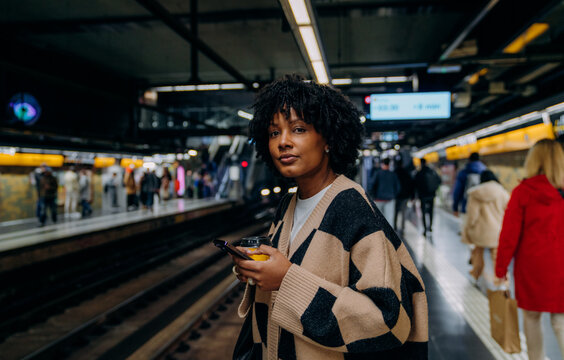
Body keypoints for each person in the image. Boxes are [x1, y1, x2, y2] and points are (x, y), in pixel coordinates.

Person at [231, 75, 428, 359]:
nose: (283, 142)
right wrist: (256, 270)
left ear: (328, 140)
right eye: (274, 132)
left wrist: (286, 279)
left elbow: (388, 321)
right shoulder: (288, 204)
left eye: (298, 129)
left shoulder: (350, 207)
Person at [495, 139, 564, 360]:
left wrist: (500, 268)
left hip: (533, 268)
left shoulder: (523, 192)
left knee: (532, 318)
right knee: (561, 319)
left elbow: (509, 236)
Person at [461, 170, 509, 285]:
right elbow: (508, 212)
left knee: (477, 252)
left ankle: (475, 274)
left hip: (480, 231)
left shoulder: (475, 193)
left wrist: (468, 228)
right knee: (496, 255)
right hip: (498, 231)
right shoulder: (502, 192)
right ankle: (500, 279)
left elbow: (472, 215)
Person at [414, 158, 441, 235]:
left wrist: (415, 195)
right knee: (431, 211)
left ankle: (425, 228)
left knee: (423, 212)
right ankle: (431, 227)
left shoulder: (419, 173)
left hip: (422, 196)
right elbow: (439, 181)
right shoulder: (432, 172)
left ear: (420, 163)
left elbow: (415, 185)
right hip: (431, 195)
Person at [370, 158, 401, 224]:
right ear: (389, 164)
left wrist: (373, 196)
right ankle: (389, 234)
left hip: (379, 199)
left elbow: (372, 185)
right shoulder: (393, 174)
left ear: (382, 164)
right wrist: (393, 195)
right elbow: (398, 187)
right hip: (390, 199)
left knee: (379, 219)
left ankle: (381, 234)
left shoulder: (377, 173)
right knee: (389, 219)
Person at [394, 155, 415, 235]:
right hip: (405, 196)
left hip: (396, 196)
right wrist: (412, 196)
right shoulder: (407, 173)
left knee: (395, 212)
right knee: (403, 213)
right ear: (402, 164)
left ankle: (394, 227)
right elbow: (411, 184)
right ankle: (402, 229)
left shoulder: (394, 172)